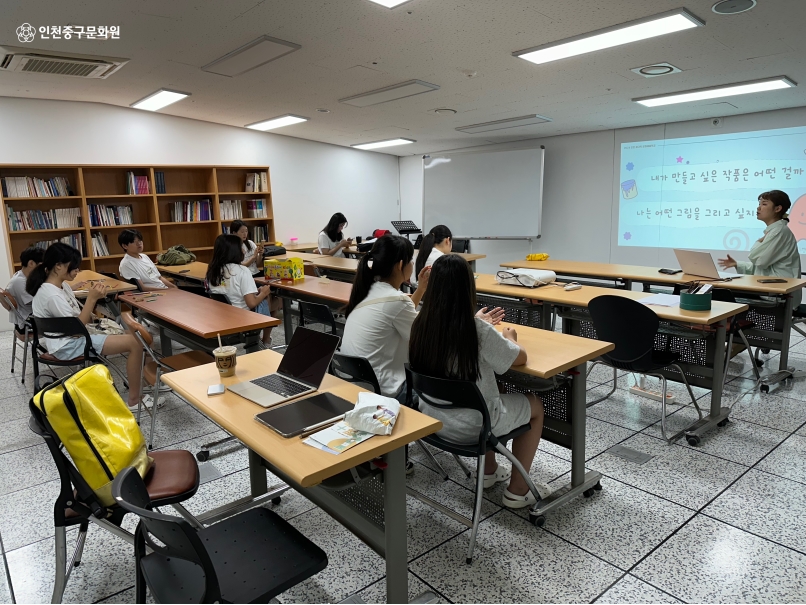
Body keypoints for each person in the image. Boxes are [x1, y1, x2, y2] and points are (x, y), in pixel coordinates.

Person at [409, 254, 548, 509]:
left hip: (434, 420)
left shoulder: (419, 322)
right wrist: (510, 336)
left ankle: (489, 472)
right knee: (536, 406)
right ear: (467, 288)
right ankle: (518, 490)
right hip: (473, 428)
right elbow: (519, 358)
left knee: (492, 393)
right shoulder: (476, 330)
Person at [27, 243, 153, 412]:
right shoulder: (51, 295)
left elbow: (75, 319)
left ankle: (142, 382)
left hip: (72, 339)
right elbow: (77, 328)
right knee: (136, 343)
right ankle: (135, 399)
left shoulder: (59, 286)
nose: (77, 271)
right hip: (68, 345)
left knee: (138, 336)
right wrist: (92, 299)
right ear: (58, 267)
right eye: (74, 267)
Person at [340, 235, 431, 404]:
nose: (413, 264)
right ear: (401, 265)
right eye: (411, 260)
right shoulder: (396, 300)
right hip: (383, 393)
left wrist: (421, 289)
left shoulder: (369, 290)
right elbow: (424, 338)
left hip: (354, 384)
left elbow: (398, 312)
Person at [718, 190, 802, 306]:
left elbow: (760, 261)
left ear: (777, 209)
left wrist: (758, 241)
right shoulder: (775, 230)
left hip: (778, 294)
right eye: (759, 204)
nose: (759, 208)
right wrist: (737, 264)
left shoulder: (778, 232)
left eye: (764, 204)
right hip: (772, 290)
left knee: (723, 295)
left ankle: (731, 324)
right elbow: (762, 265)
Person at [206, 234, 279, 345]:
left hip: (221, 316)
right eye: (241, 248)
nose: (244, 251)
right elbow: (251, 303)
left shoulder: (212, 271)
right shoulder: (242, 271)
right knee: (276, 300)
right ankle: (265, 340)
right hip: (242, 318)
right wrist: (264, 292)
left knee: (267, 298)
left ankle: (264, 339)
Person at [5, 246, 44, 328]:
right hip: (28, 322)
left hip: (30, 317)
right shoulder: (19, 282)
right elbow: (37, 303)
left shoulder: (22, 275)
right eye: (42, 265)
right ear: (31, 263)